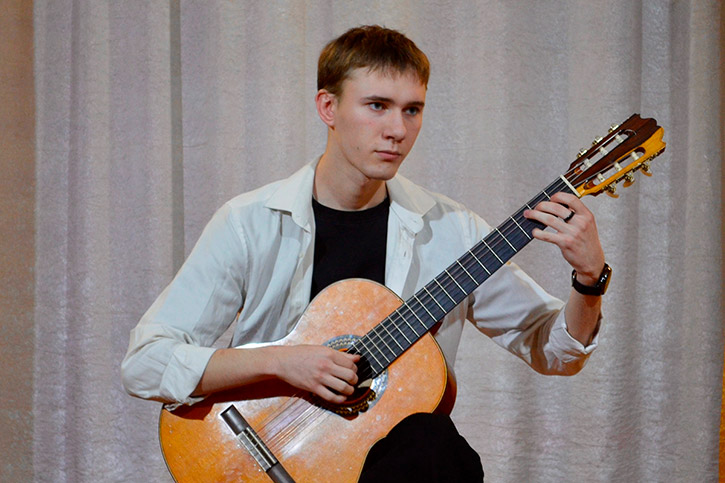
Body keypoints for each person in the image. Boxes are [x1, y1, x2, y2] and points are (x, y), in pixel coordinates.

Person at [122, 25, 607, 482]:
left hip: (386, 467)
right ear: (328, 107)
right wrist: (282, 361)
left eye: (412, 110)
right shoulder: (249, 222)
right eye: (377, 106)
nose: (397, 129)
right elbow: (146, 362)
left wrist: (589, 280)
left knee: (435, 445)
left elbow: (554, 351)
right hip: (265, 454)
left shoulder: (452, 231)